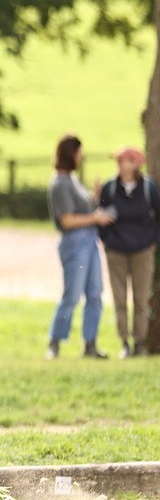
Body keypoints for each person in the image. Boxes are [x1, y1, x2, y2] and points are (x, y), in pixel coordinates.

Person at [45, 134, 115, 360]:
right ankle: (54, 342)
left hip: (89, 242)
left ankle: (90, 343)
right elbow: (67, 220)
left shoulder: (73, 180)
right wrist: (95, 217)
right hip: (75, 244)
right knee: (72, 295)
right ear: (70, 154)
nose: (81, 157)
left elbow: (81, 211)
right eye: (79, 152)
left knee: (95, 293)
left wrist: (93, 197)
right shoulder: (60, 183)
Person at [97, 146, 160, 357]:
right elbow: (101, 215)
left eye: (124, 160)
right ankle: (124, 342)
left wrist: (153, 242)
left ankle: (139, 342)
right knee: (119, 299)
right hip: (117, 251)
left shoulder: (148, 188)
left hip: (143, 251)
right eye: (119, 160)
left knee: (141, 299)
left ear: (135, 164)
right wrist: (107, 241)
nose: (120, 164)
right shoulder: (110, 188)